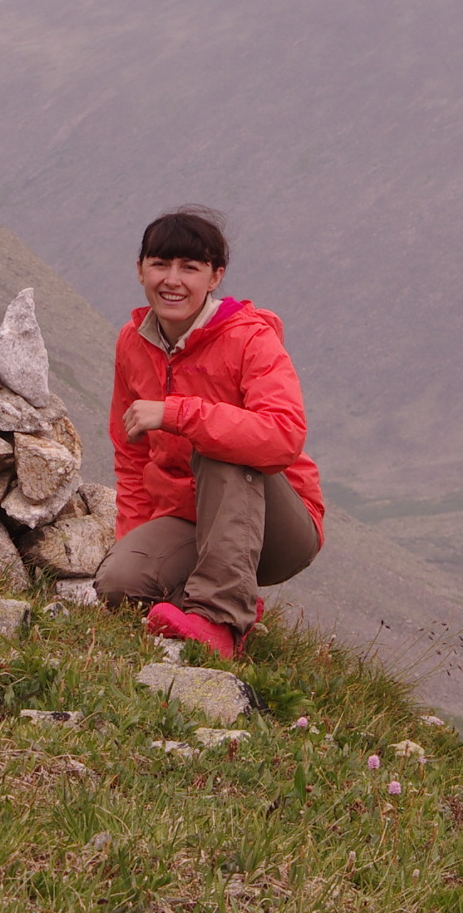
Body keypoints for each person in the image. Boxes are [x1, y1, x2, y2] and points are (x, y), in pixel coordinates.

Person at [96, 207, 324, 661]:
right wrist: (136, 543)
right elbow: (132, 456)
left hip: (277, 528)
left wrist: (178, 414)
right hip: (191, 517)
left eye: (190, 267)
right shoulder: (132, 342)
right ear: (139, 270)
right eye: (160, 264)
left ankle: (219, 621)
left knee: (221, 443)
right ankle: (226, 594)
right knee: (120, 584)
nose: (172, 280)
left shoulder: (250, 339)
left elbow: (282, 436)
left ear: (215, 277)